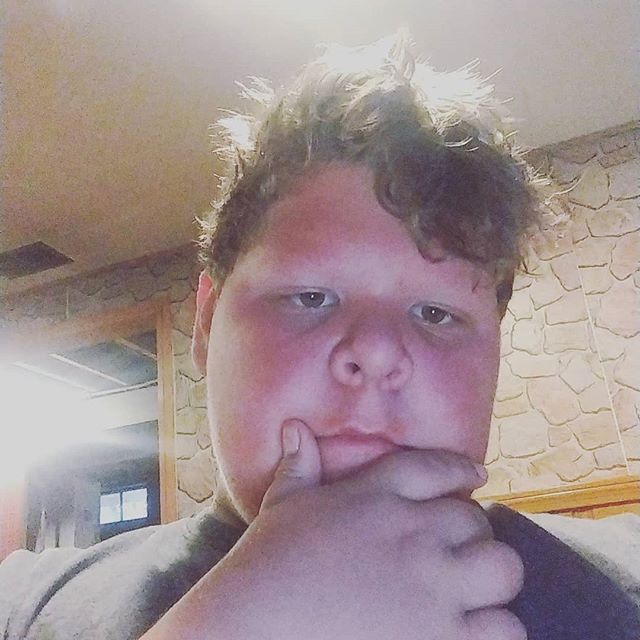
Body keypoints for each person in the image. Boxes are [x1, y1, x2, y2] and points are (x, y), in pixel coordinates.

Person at [1, 32, 639, 640]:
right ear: (207, 324)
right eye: (311, 298)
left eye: (435, 313)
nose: (377, 352)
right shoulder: (21, 603)